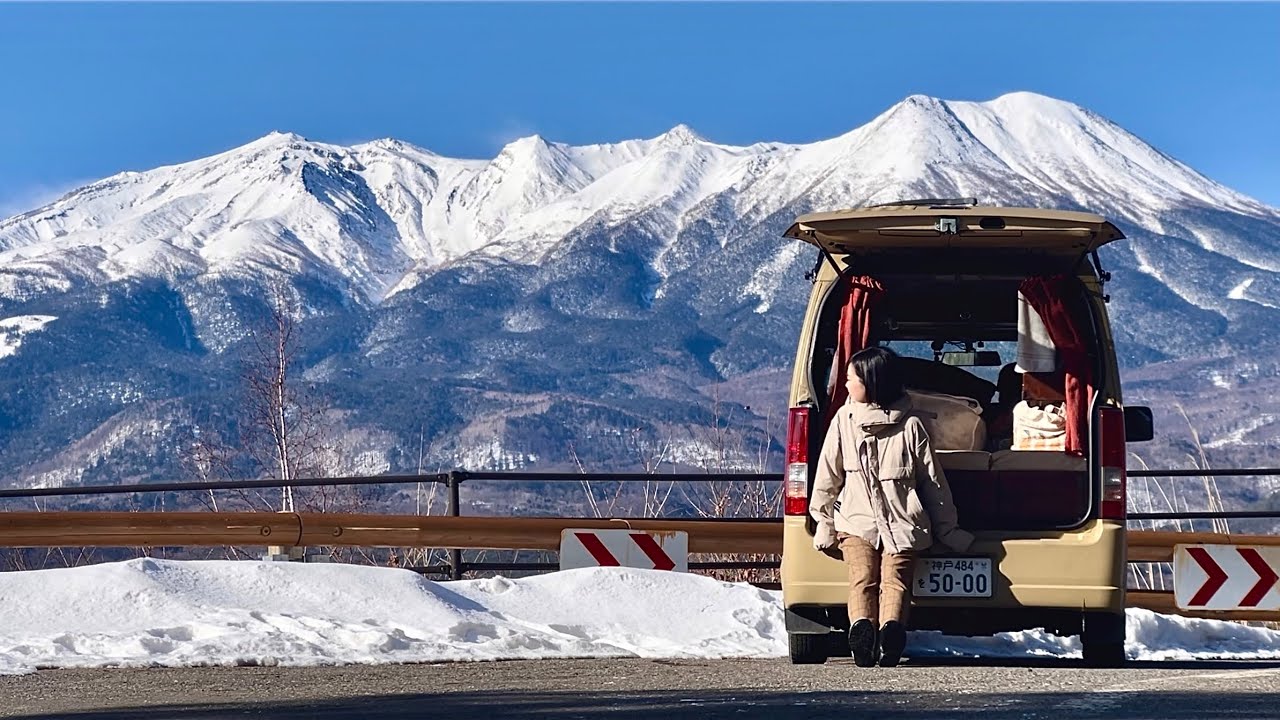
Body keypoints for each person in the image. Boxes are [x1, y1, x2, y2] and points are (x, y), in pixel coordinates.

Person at [809, 346, 974, 668]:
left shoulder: (844, 419)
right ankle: (891, 631)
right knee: (896, 581)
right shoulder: (912, 425)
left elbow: (827, 475)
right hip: (905, 523)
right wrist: (948, 530)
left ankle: (861, 628)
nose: (844, 385)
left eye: (849, 379)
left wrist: (823, 520)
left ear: (870, 383)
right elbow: (934, 484)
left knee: (861, 578)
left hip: (855, 520)